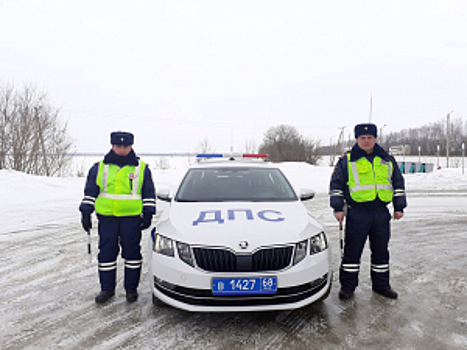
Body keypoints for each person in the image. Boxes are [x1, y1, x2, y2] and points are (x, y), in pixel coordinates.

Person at [329, 123, 407, 300]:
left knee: (381, 251)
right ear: (357, 139)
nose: (366, 141)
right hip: (357, 213)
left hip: (380, 213)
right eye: (362, 138)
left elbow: (398, 183)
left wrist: (399, 206)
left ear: (375, 138)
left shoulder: (387, 159)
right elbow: (336, 186)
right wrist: (337, 208)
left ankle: (381, 286)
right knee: (352, 252)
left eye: (369, 138)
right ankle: (348, 287)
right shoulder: (347, 160)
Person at [79, 131, 156, 304]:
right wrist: (85, 211)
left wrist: (149, 212)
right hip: (108, 218)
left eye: (126, 146)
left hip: (131, 219)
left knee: (132, 254)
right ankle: (107, 289)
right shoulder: (99, 167)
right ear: (112, 146)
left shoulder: (141, 168)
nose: (122, 149)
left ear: (131, 147)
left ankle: (131, 289)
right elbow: (91, 191)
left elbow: (149, 192)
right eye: (118, 146)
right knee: (106, 254)